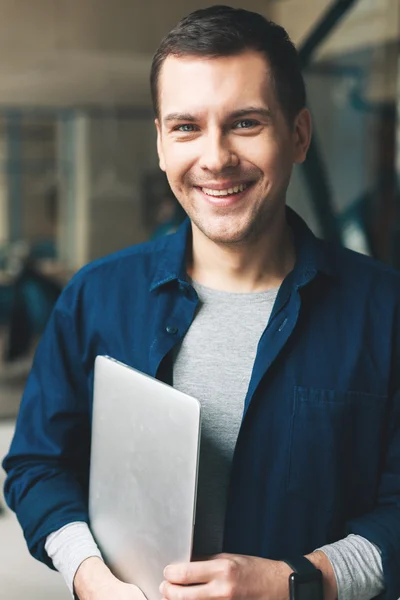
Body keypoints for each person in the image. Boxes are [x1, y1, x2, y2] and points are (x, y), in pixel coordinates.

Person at [3, 5, 400, 600]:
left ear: (298, 135)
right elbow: (37, 467)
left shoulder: (386, 310)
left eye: (245, 123)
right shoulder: (96, 296)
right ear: (161, 143)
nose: (215, 158)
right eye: (186, 127)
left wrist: (297, 580)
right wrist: (90, 577)